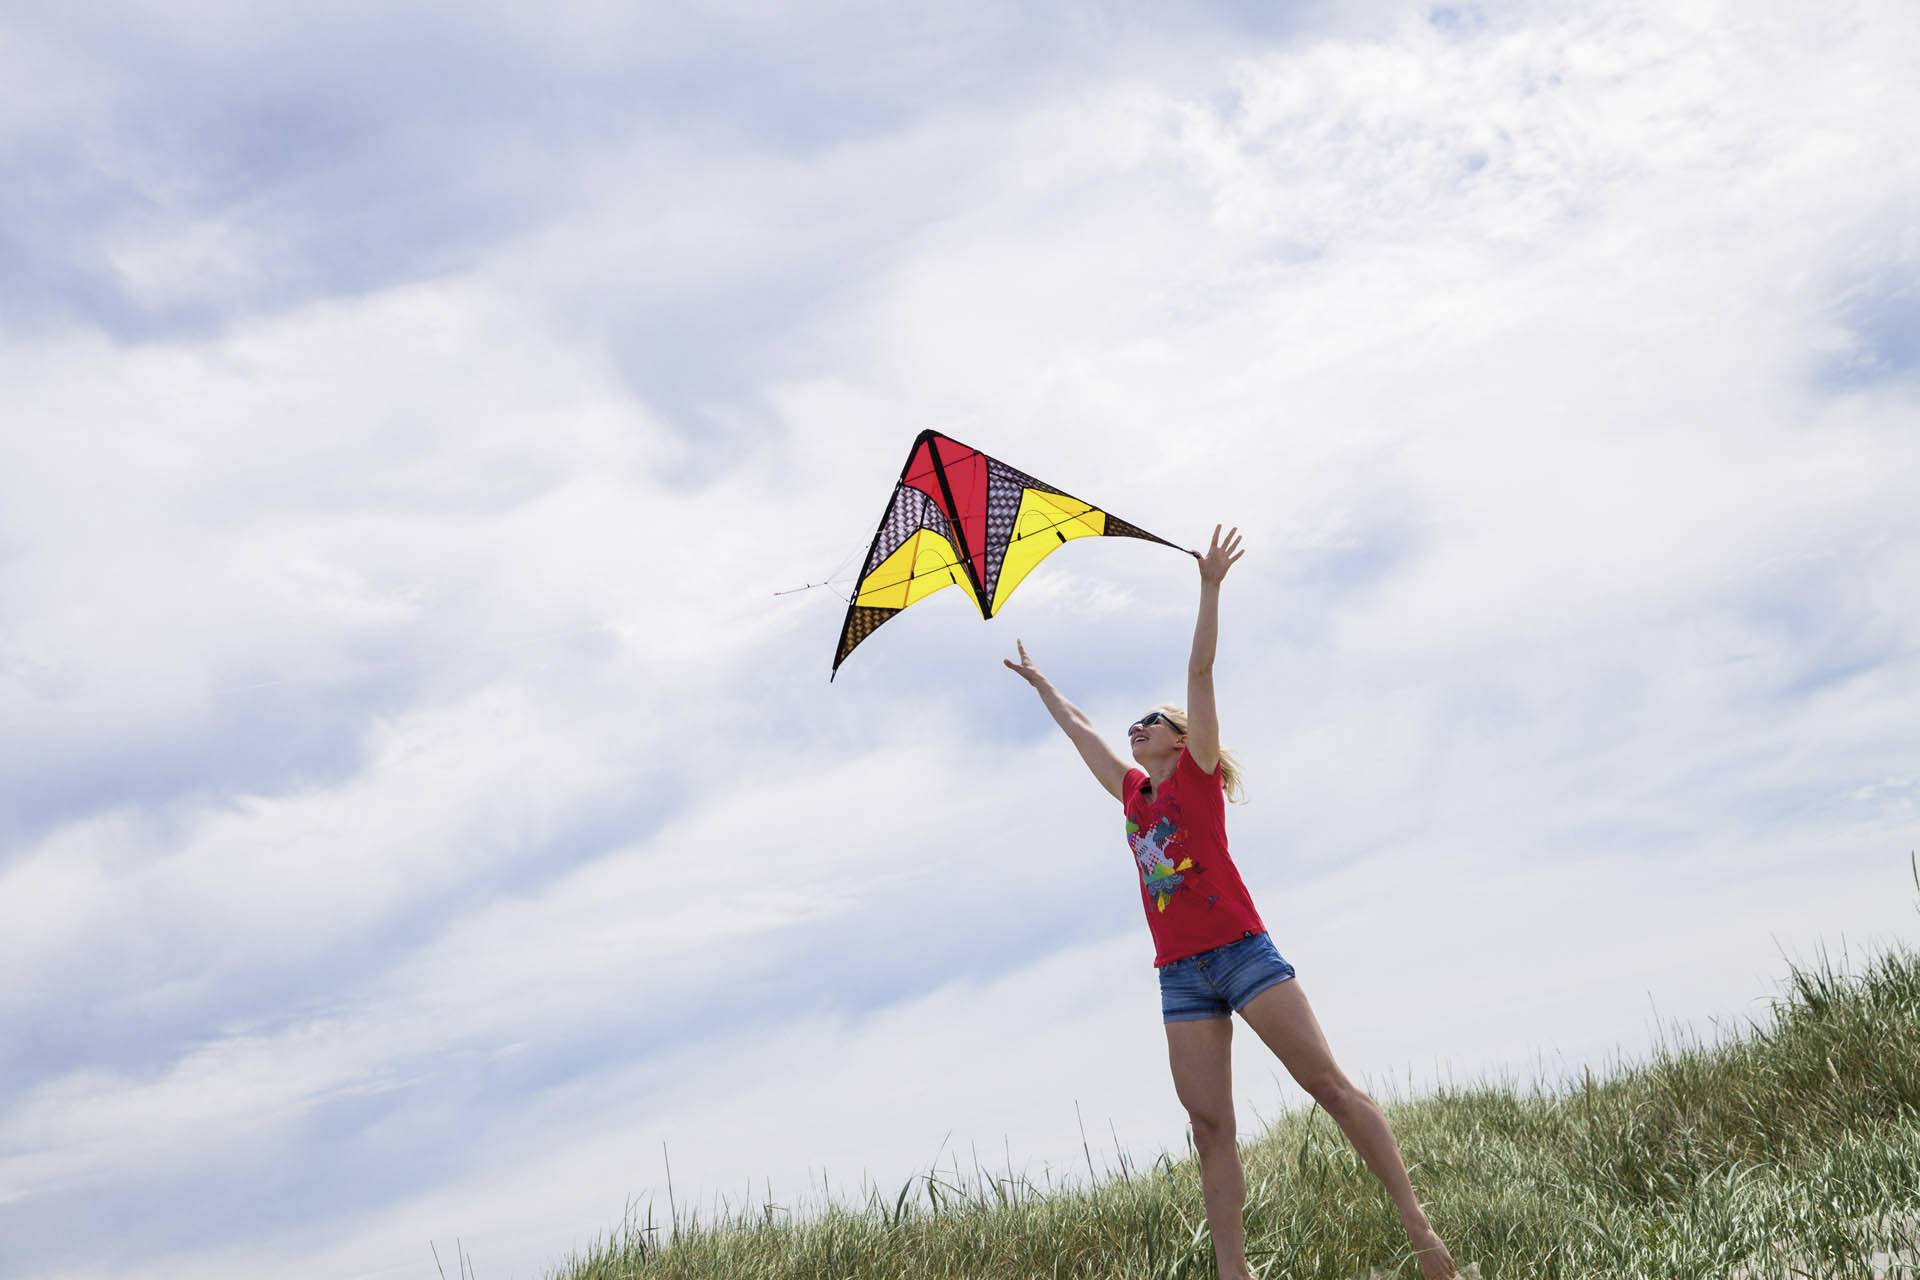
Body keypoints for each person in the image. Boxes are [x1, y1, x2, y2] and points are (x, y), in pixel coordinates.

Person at [1003, 525, 1458, 1280]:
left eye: (1150, 722)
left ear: (1180, 740)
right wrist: (1045, 686)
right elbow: (1083, 732)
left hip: (1243, 953)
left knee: (1329, 1090)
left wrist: (1209, 586)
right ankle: (1233, 1275)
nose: (1136, 729)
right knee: (1210, 1126)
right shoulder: (1134, 795)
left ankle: (1421, 1232)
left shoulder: (1196, 779)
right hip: (1180, 973)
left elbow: (1201, 670)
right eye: (1135, 726)